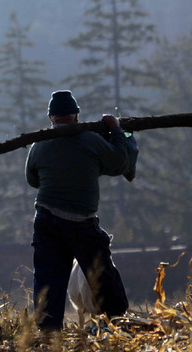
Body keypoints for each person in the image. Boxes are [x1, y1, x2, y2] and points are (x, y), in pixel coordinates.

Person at [26, 89, 135, 332]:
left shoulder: (39, 143)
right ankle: (118, 323)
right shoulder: (90, 139)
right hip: (81, 222)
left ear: (51, 118)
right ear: (76, 115)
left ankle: (48, 335)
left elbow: (32, 179)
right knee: (102, 275)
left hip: (46, 219)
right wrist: (116, 129)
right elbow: (119, 162)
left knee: (48, 278)